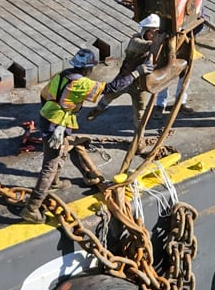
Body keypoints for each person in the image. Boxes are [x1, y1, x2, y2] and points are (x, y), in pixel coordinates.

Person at [21, 48, 153, 223]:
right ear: (88, 69)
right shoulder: (81, 83)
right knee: (49, 165)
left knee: (62, 149)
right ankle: (32, 207)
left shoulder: (62, 75)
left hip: (48, 117)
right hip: (56, 125)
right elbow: (112, 87)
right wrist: (138, 73)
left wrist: (56, 114)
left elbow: (44, 95)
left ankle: (55, 182)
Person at [86, 14, 159, 129]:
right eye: (152, 32)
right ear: (145, 31)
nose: (154, 35)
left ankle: (139, 134)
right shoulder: (136, 41)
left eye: (157, 32)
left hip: (140, 85)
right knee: (108, 96)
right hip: (125, 78)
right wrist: (160, 41)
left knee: (140, 110)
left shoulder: (156, 47)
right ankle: (98, 110)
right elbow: (147, 45)